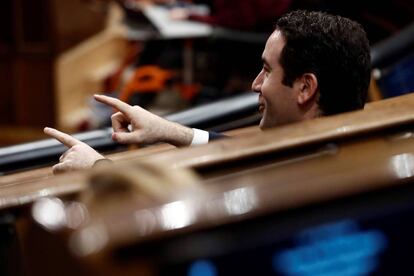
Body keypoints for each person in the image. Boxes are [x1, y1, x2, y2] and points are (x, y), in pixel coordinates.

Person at [44, 10, 371, 174]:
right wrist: (164, 129)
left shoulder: (290, 177)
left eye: (268, 70)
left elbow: (175, 208)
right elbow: (237, 150)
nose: (255, 84)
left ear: (305, 87)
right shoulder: (345, 146)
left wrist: (99, 169)